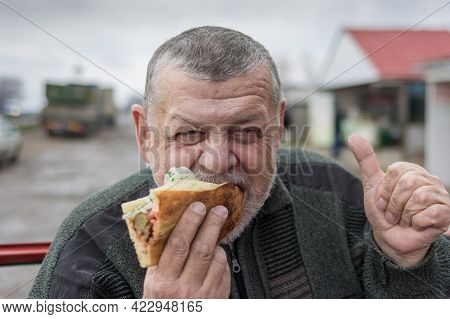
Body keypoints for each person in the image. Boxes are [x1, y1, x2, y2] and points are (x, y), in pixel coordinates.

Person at [29, 26, 450, 299]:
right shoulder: (89, 250)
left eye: (246, 132)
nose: (217, 160)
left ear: (278, 124)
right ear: (145, 136)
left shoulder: (337, 193)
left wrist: (409, 261)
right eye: (189, 133)